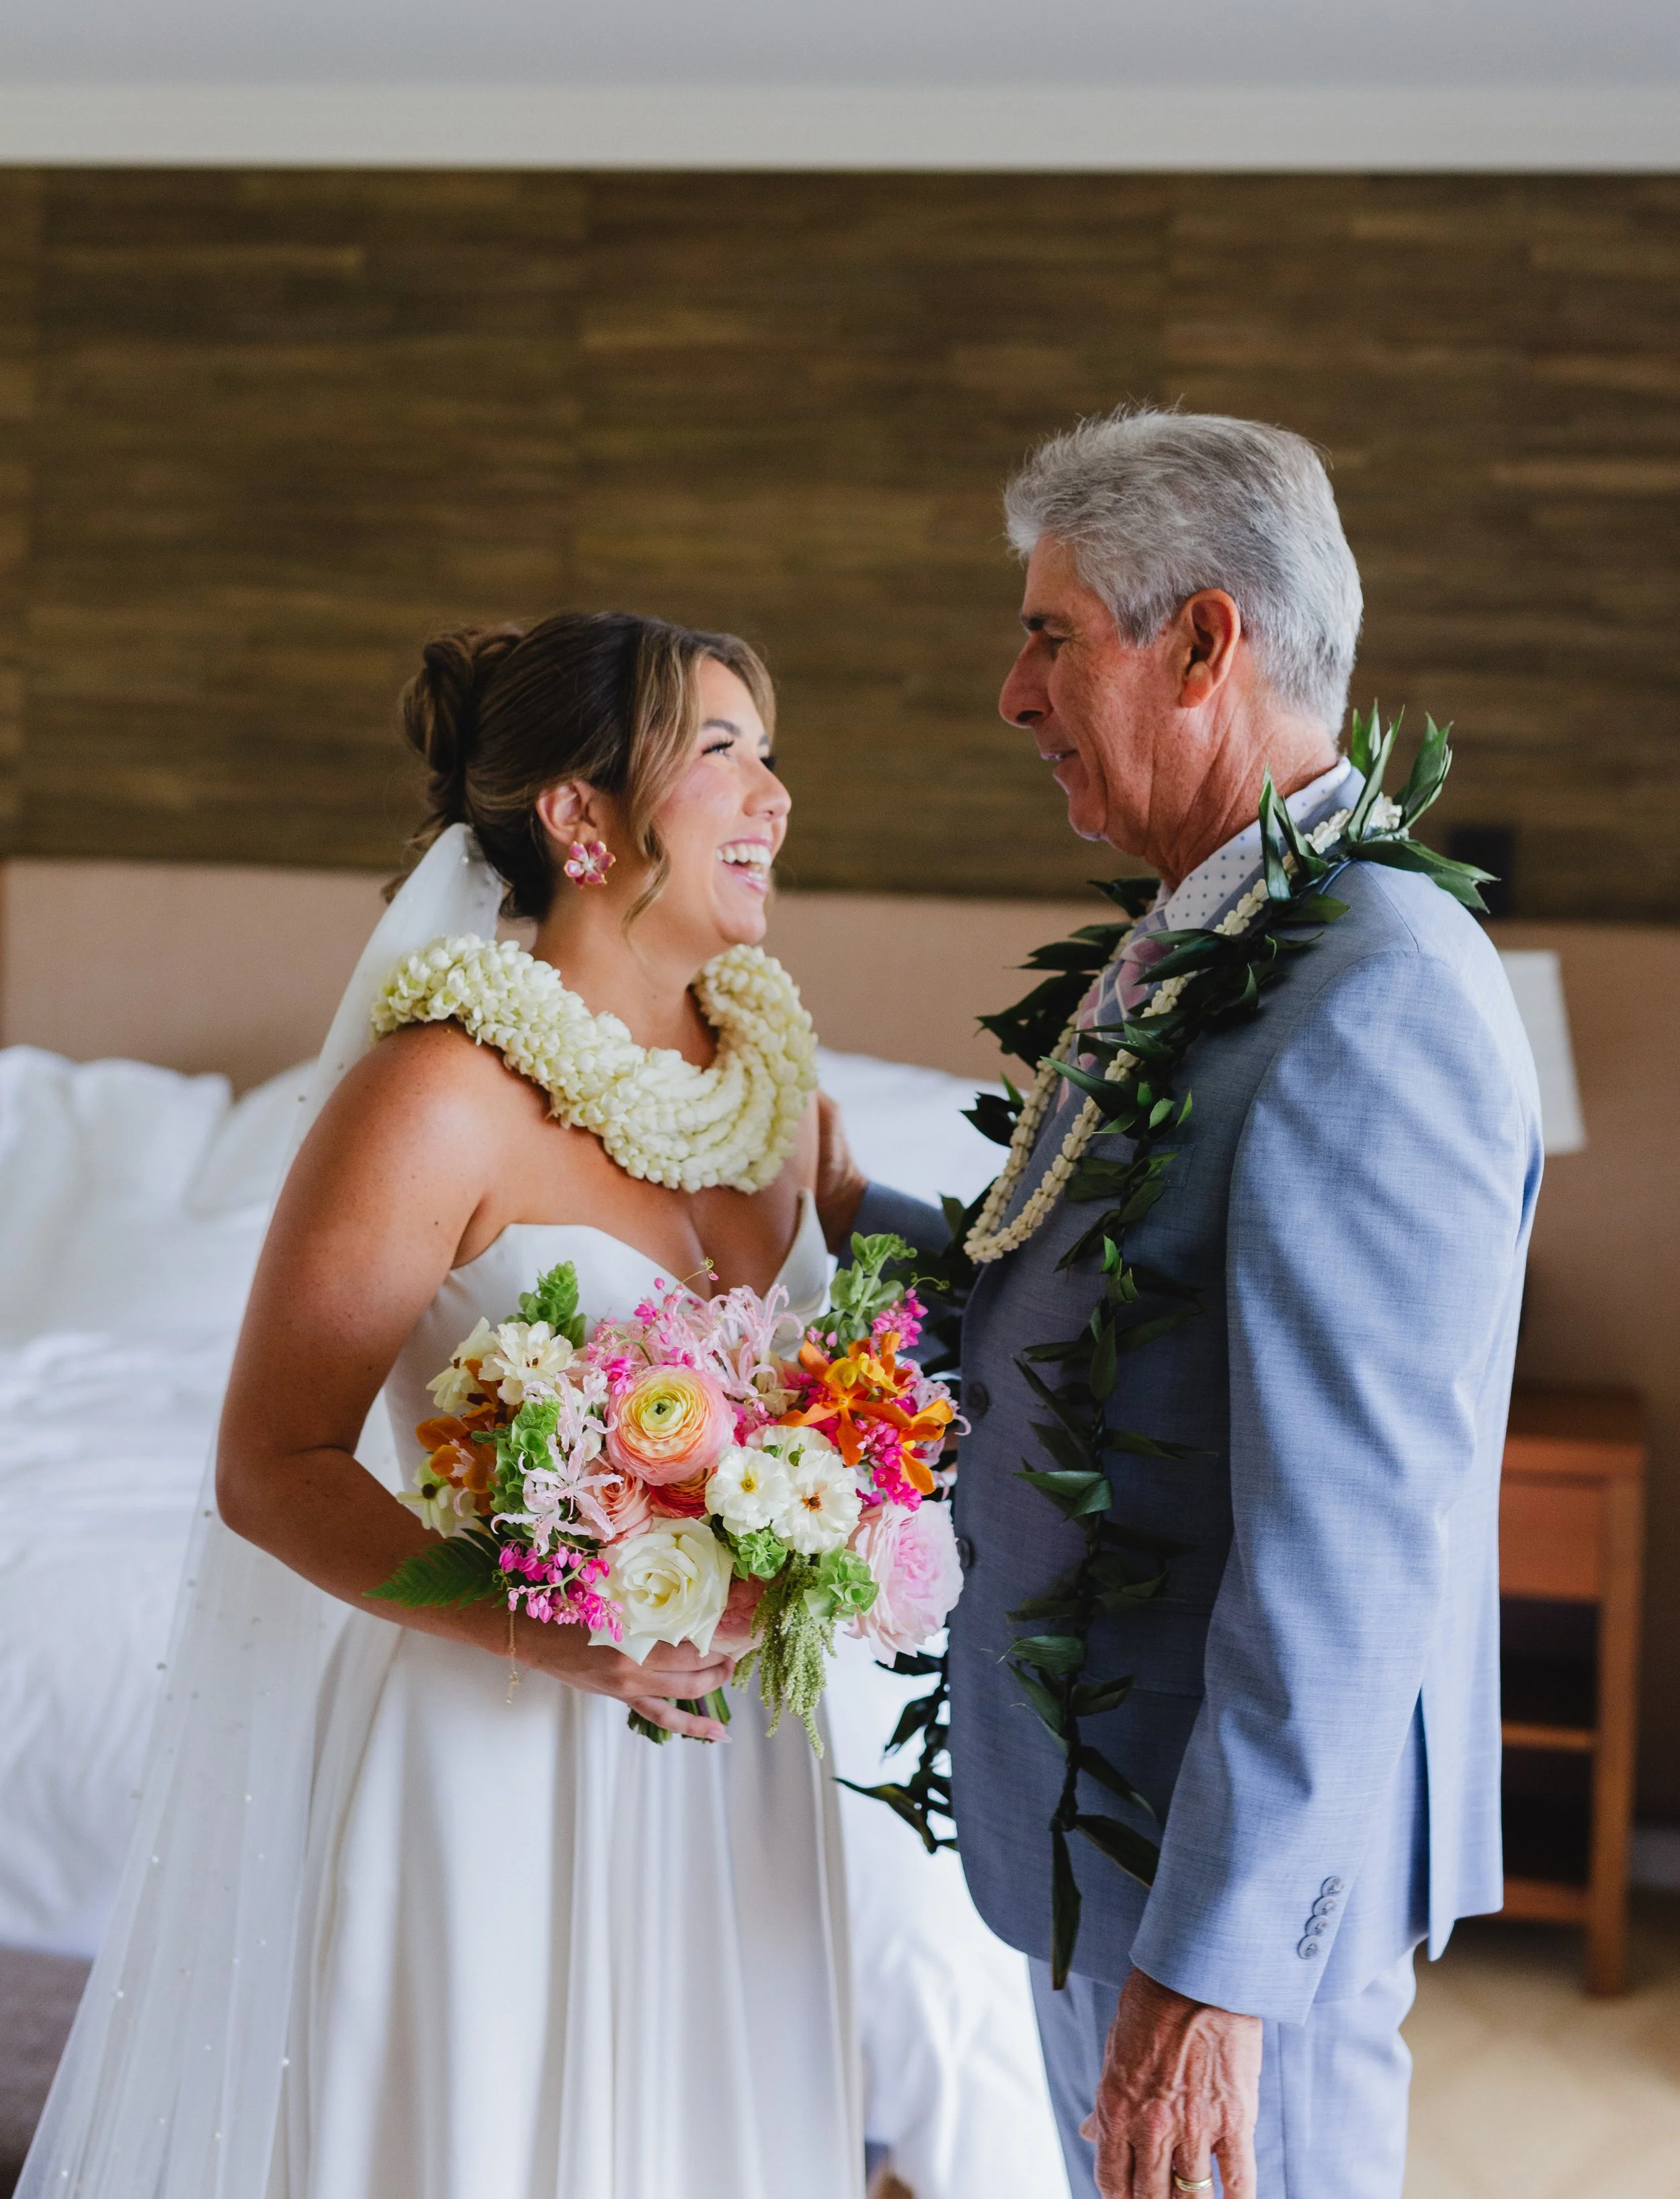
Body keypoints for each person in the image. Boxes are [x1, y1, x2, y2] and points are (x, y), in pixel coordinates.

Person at [23, 611, 868, 2199]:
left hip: (744, 1752)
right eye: (720, 751)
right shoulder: (434, 1095)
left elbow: (834, 1382)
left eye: (771, 753)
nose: (773, 797)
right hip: (501, 1745)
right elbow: (268, 1466)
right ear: (578, 815)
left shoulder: (769, 1093)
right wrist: (538, 1629)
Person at [829, 409, 1543, 2198]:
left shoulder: (1372, 988)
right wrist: (841, 1207)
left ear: (1204, 641)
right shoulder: (1205, 932)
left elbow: (1349, 1537)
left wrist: (1215, 1964)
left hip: (1218, 1886)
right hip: (1114, 1824)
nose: (1013, 691)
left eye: (1051, 633)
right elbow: (1091, 1307)